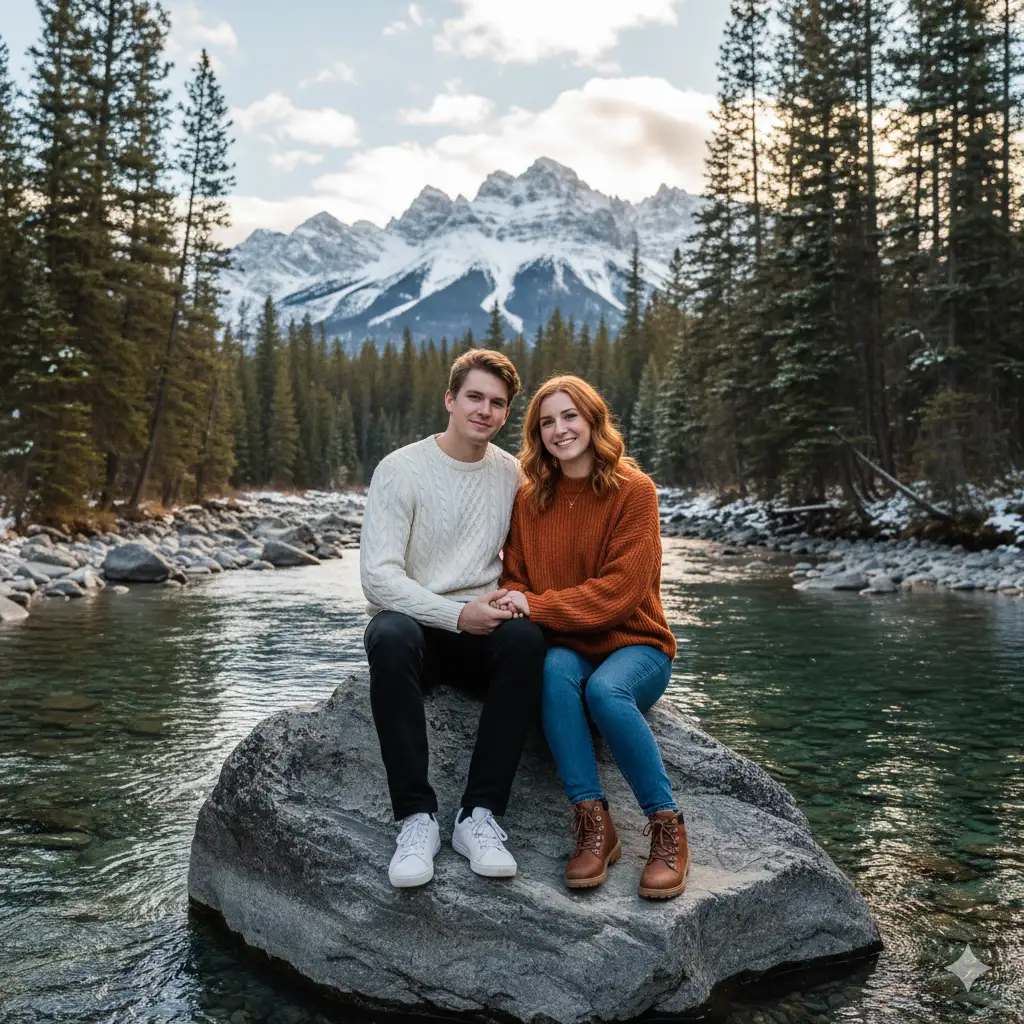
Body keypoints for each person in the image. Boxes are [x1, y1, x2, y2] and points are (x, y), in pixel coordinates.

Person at [495, 375, 688, 899]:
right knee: (553, 672)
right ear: (537, 434)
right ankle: (593, 824)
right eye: (547, 422)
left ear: (593, 420)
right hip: (570, 647)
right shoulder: (530, 499)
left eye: (570, 416)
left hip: (637, 643)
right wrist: (521, 598)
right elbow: (514, 578)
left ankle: (667, 826)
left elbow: (619, 594)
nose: (560, 430)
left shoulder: (634, 490)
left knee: (605, 692)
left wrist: (537, 605)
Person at [360, 348, 546, 890]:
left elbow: (532, 557)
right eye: (474, 397)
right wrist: (456, 614)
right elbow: (377, 579)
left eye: (497, 403)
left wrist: (505, 603)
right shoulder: (400, 470)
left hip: (480, 634)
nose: (484, 410)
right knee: (387, 632)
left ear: (506, 413)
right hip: (418, 632)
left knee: (527, 640)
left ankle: (477, 817)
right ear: (450, 399)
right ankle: (416, 819)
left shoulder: (511, 474)